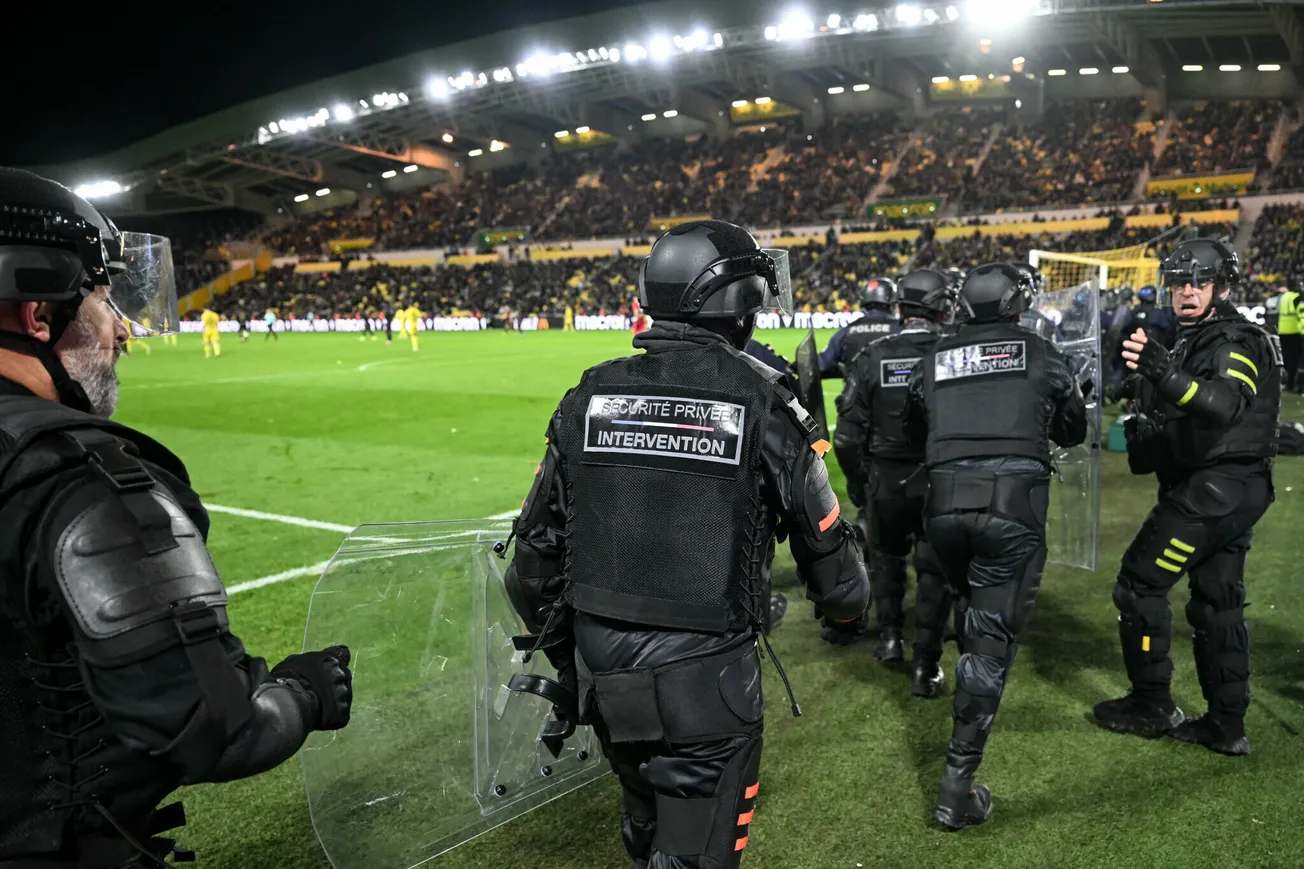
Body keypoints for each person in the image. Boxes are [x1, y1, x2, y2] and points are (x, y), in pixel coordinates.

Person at [0, 167, 353, 867]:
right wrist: (305, 692)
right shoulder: (79, 480)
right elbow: (212, 725)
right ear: (39, 314)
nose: (122, 329)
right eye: (103, 298)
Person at [504, 219, 869, 868]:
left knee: (645, 824)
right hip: (707, 687)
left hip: (602, 677)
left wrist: (578, 663)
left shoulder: (587, 396)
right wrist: (850, 613)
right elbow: (841, 584)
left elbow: (529, 573)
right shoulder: (767, 406)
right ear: (740, 309)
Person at [903, 262, 1087, 829]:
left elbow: (916, 430)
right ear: (1018, 304)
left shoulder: (935, 357)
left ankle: (941, 665)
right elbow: (1072, 430)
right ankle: (955, 791)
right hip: (1011, 510)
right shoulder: (1039, 351)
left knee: (973, 613)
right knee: (988, 643)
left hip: (943, 510)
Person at [1094, 239, 1280, 756]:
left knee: (1139, 585)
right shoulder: (1196, 338)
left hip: (1215, 490)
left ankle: (1152, 703)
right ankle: (1227, 725)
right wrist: (1138, 393)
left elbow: (1221, 406)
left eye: (1198, 283)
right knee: (1218, 604)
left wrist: (1163, 373)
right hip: (1228, 489)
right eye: (1179, 283)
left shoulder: (1236, 338)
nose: (1187, 292)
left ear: (1222, 287)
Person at [831, 269, 954, 696]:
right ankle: (926, 665)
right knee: (935, 569)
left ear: (900, 308)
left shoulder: (872, 357)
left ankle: (889, 639)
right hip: (940, 478)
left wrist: (862, 482)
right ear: (942, 307)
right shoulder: (952, 353)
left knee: (886, 560)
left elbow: (846, 438)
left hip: (886, 477)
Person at [817, 277, 899, 378]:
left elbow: (824, 363)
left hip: (855, 392)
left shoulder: (847, 331)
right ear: (892, 303)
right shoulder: (900, 328)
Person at [1274, 282, 1299, 393]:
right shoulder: (1296, 298)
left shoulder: (1283, 297)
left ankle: (1282, 381)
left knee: (1284, 358)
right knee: (1293, 360)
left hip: (1282, 330)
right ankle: (1291, 383)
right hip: (1294, 331)